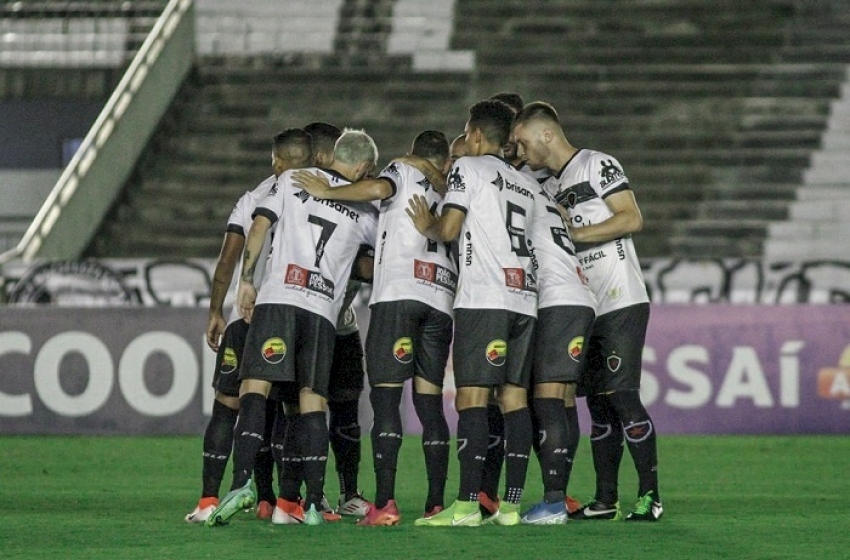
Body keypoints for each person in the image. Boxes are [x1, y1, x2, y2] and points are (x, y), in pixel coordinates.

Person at [205, 129, 380, 527]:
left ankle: (243, 483)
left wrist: (246, 280)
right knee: (311, 399)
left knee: (255, 388)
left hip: (278, 297)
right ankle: (306, 505)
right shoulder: (367, 211)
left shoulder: (290, 180)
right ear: (365, 167)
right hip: (321, 311)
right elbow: (381, 259)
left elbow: (259, 226)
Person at [294, 130, 456, 526]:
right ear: (444, 161)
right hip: (441, 297)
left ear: (413, 155)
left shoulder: (401, 170)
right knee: (430, 403)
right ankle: (436, 504)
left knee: (386, 400)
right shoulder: (454, 189)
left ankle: (385, 504)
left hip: (399, 294)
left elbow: (379, 187)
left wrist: (328, 191)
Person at [512, 101, 663, 522]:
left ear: (546, 134)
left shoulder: (597, 164)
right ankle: (605, 500)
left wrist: (572, 236)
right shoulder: (546, 183)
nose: (521, 151)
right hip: (584, 303)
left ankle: (651, 497)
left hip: (620, 297)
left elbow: (631, 218)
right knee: (597, 405)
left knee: (623, 397)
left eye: (523, 142)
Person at [407, 100, 538, 527]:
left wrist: (427, 223)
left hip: (484, 297)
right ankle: (512, 506)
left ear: (478, 136)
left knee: (471, 398)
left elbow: (449, 229)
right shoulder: (525, 183)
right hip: (524, 298)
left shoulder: (469, 168)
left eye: (465, 134)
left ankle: (465, 505)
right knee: (514, 397)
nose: (460, 142)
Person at [184, 128, 312, 524]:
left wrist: (215, 311)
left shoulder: (253, 199)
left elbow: (227, 261)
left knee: (230, 408)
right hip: (301, 317)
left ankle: (208, 501)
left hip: (251, 315)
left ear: (277, 161)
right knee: (288, 410)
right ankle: (278, 501)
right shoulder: (325, 196)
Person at [517, 182, 597, 524]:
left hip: (558, 297)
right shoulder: (545, 198)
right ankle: (559, 494)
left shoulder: (518, 192)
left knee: (547, 396)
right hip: (578, 293)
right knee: (562, 398)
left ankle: (552, 503)